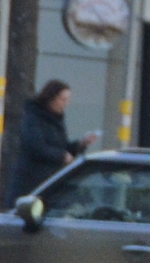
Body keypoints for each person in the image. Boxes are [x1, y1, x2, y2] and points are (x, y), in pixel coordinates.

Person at [10, 79, 92, 207]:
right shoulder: (33, 118)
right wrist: (62, 156)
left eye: (67, 100)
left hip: (49, 181)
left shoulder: (56, 120)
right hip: (33, 181)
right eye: (62, 99)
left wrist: (80, 145)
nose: (65, 104)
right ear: (50, 98)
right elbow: (35, 147)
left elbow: (61, 146)